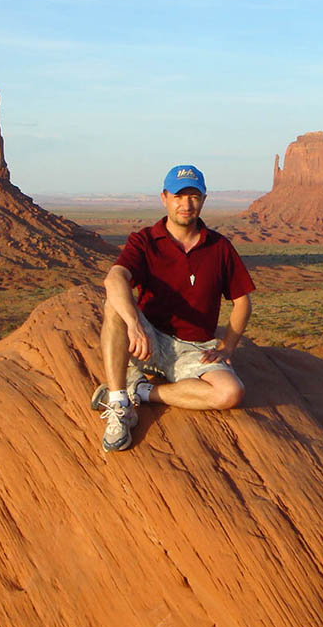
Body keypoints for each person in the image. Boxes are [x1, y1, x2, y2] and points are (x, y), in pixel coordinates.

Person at [92, 164, 255, 452]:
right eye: (179, 196)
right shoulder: (145, 240)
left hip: (194, 348)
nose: (186, 204)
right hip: (148, 337)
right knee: (115, 303)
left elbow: (242, 301)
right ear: (164, 197)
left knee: (231, 393)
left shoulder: (219, 247)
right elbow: (115, 277)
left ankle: (141, 391)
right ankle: (119, 403)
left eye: (193, 196)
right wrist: (133, 325)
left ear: (203, 200)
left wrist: (228, 346)